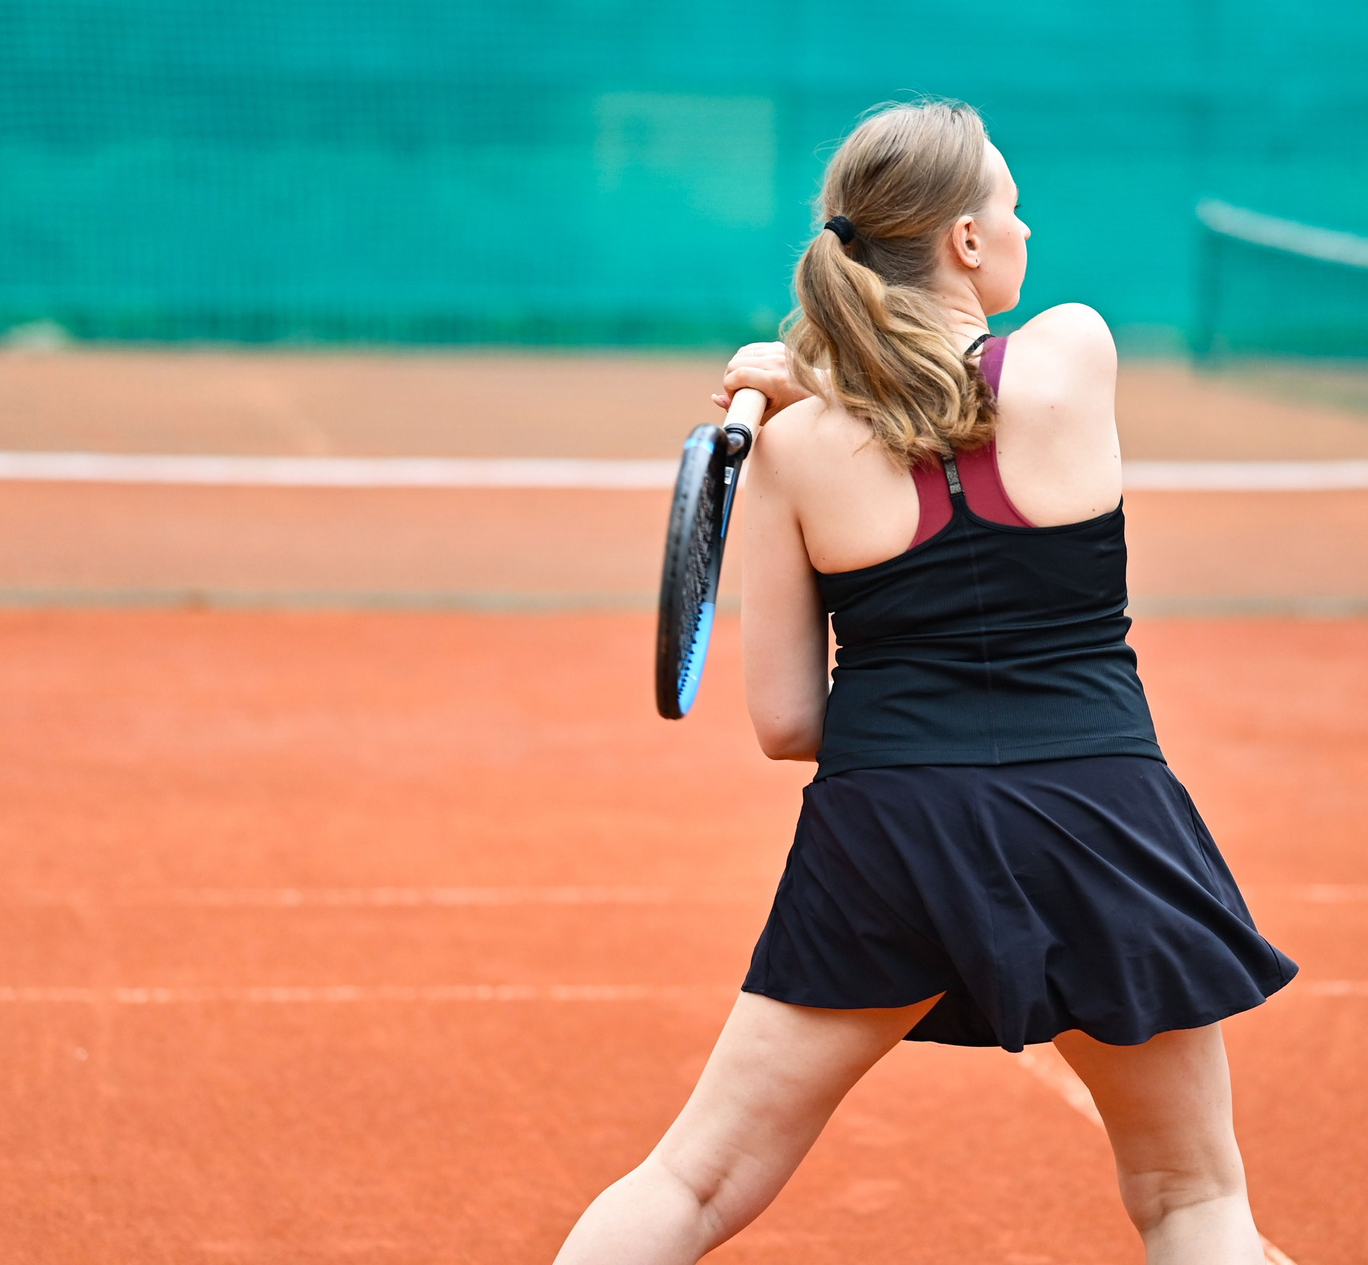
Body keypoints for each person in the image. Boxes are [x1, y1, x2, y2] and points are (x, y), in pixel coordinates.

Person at [554, 101, 1295, 1264]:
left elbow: (790, 720)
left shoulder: (794, 455)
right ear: (960, 239)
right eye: (1006, 201)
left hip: (888, 827)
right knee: (1191, 1199)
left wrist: (806, 386)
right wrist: (814, 374)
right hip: (1101, 812)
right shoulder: (1074, 351)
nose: (1023, 222)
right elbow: (958, 402)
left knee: (691, 1181)